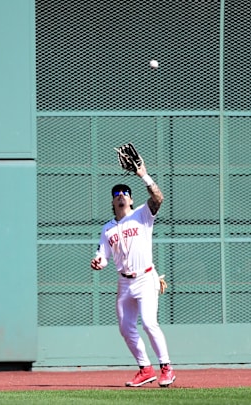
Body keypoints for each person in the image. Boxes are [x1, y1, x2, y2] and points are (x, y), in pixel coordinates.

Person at [90, 161, 177, 387]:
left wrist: (144, 176)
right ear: (112, 200)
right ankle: (145, 368)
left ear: (130, 199)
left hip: (146, 277)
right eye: (117, 193)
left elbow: (158, 198)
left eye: (125, 193)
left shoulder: (142, 215)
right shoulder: (107, 228)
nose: (121, 195)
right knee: (125, 327)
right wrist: (99, 261)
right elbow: (104, 254)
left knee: (149, 323)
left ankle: (166, 367)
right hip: (124, 282)